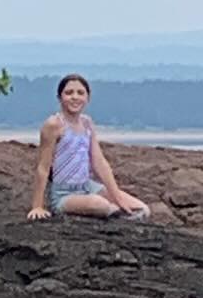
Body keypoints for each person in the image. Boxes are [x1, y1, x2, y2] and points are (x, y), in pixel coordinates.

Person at [27, 74, 151, 221]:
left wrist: (117, 197)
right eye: (69, 93)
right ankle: (114, 212)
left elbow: (99, 162)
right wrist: (37, 206)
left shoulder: (87, 123)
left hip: (88, 186)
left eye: (80, 93)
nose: (75, 97)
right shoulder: (54, 124)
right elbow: (43, 166)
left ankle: (118, 211)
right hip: (64, 194)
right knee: (100, 205)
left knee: (143, 209)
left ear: (87, 97)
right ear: (60, 97)